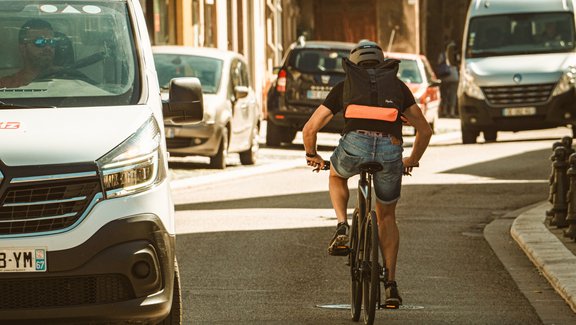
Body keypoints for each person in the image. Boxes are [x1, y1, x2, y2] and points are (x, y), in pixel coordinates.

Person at [302, 40, 432, 307]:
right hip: (389, 149)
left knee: (337, 175)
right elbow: (425, 130)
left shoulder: (345, 87)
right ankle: (391, 286)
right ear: (382, 62)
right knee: (386, 215)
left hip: (355, 146)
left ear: (354, 63)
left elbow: (310, 129)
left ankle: (341, 226)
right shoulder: (397, 87)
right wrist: (412, 160)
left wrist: (312, 154)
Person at [0, 19, 60, 88]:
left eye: (52, 42)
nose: (48, 47)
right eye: (40, 42)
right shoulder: (6, 85)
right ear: (23, 48)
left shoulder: (67, 78)